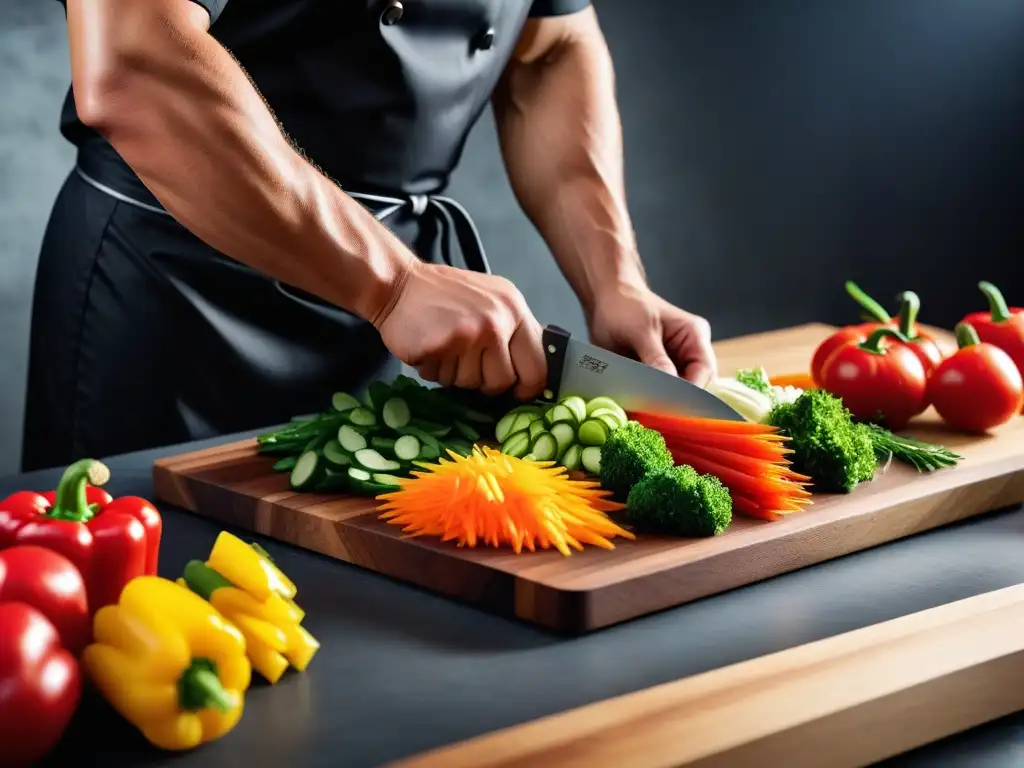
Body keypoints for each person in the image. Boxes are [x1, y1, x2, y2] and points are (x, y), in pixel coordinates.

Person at [23, 0, 717, 472]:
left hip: (388, 325)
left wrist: (613, 279)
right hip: (173, 308)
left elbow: (549, 48)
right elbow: (136, 62)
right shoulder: (392, 287)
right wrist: (390, 282)